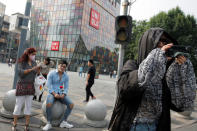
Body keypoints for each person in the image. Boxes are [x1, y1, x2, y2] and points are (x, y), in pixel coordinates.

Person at [108, 28, 196, 131]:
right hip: (134, 125)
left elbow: (179, 104)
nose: (162, 44)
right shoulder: (132, 64)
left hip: (157, 125)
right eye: (159, 40)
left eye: (165, 41)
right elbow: (125, 90)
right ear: (148, 43)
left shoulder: (165, 73)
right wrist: (155, 59)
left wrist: (181, 71)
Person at [12, 48, 40, 131]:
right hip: (22, 85)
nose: (34, 56)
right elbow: (20, 73)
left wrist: (38, 70)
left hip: (30, 86)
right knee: (18, 105)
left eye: (35, 55)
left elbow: (35, 74)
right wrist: (31, 69)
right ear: (28, 54)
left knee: (28, 106)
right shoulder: (22, 62)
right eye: (33, 54)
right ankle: (15, 124)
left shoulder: (34, 63)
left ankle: (27, 125)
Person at [43, 59, 74, 130]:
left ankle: (64, 121)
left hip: (60, 93)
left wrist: (64, 94)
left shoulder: (66, 76)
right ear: (58, 65)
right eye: (61, 66)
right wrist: (54, 94)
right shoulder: (51, 73)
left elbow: (66, 87)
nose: (62, 68)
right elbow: (48, 85)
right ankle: (49, 123)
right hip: (52, 93)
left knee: (71, 104)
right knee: (49, 104)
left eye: (64, 67)